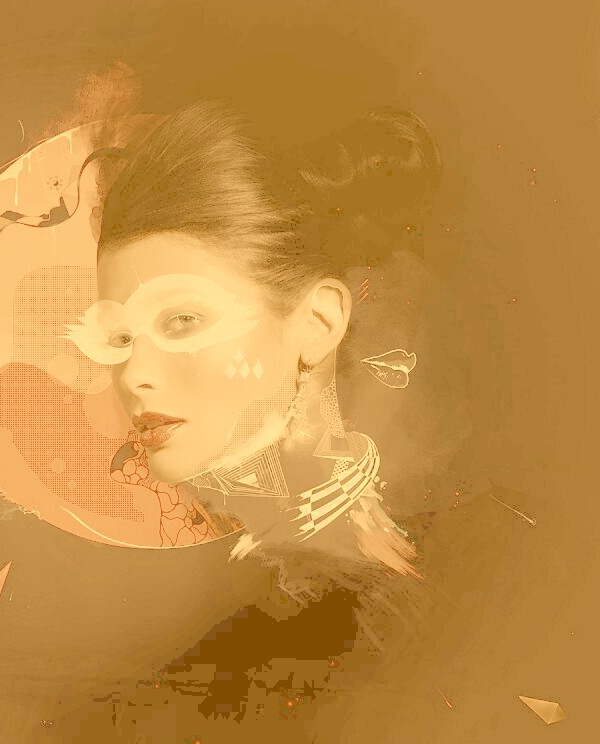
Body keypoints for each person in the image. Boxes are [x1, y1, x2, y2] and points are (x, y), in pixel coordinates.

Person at [65, 99, 441, 578]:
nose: (132, 375)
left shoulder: (454, 560)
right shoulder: (186, 582)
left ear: (319, 322)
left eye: (182, 320)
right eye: (120, 337)